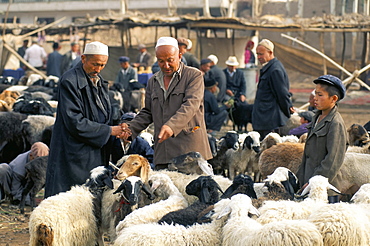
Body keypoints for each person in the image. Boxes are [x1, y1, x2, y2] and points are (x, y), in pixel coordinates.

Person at [44, 41, 127, 198]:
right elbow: (74, 121)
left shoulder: (100, 81)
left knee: (90, 199)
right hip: (74, 152)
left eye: (102, 65)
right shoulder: (69, 81)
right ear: (83, 58)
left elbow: (107, 111)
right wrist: (109, 130)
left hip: (95, 150)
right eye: (95, 64)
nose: (98, 69)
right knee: (70, 198)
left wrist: (119, 125)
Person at [120, 37, 212, 170]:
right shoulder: (153, 81)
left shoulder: (193, 76)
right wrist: (130, 129)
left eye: (170, 60)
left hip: (189, 151)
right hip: (163, 151)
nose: (166, 65)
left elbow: (191, 105)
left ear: (179, 56)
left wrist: (171, 126)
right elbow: (148, 112)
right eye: (161, 61)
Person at [296, 75, 348, 191]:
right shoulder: (316, 117)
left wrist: (313, 183)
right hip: (307, 181)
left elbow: (332, 160)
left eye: (320, 95)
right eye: (315, 93)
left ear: (333, 99)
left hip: (322, 187)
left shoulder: (335, 124)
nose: (315, 98)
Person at [252, 39, 293, 140]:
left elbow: (282, 94)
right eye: (257, 54)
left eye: (261, 54)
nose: (258, 57)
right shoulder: (269, 68)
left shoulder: (275, 70)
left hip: (269, 119)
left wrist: (288, 110)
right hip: (264, 118)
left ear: (270, 52)